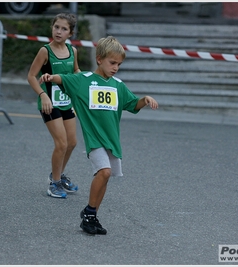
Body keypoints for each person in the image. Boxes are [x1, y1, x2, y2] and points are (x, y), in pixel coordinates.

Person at [39, 36, 159, 234]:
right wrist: (50, 77)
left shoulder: (118, 85)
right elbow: (64, 79)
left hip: (112, 140)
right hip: (94, 139)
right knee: (103, 172)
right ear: (99, 59)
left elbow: (132, 104)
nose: (115, 68)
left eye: (119, 64)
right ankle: (88, 213)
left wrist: (145, 99)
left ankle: (92, 215)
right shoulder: (83, 80)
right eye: (112, 63)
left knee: (106, 176)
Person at [27, 13, 80, 199]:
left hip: (66, 102)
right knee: (61, 143)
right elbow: (31, 76)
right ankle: (54, 184)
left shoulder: (73, 51)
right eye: (56, 27)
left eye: (64, 29)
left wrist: (81, 82)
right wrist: (43, 95)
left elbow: (75, 71)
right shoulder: (45, 51)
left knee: (72, 142)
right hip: (49, 103)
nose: (59, 31)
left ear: (70, 33)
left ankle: (57, 175)